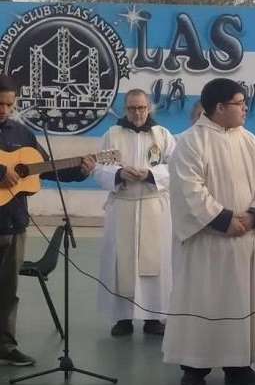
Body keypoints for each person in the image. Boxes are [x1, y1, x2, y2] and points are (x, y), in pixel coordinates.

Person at [163, 77, 255, 385]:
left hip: (243, 242)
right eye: (239, 103)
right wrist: (224, 219)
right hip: (208, 242)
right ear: (219, 107)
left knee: (240, 304)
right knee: (202, 301)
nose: (245, 108)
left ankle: (238, 365)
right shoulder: (190, 142)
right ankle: (194, 367)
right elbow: (190, 190)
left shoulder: (249, 140)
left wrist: (254, 215)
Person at [0, 75, 94, 366]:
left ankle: (5, 345)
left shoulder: (22, 134)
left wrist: (80, 170)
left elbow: (45, 168)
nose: (4, 110)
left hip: (13, 223)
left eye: (9, 104)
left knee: (7, 290)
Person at [92, 89, 175, 337]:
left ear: (149, 108)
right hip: (123, 204)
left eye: (141, 108)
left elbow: (178, 166)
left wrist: (151, 174)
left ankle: (153, 318)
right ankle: (123, 318)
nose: (137, 113)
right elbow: (97, 167)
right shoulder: (112, 134)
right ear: (124, 109)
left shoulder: (163, 135)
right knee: (121, 263)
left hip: (153, 205)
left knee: (155, 263)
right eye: (131, 108)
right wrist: (118, 174)